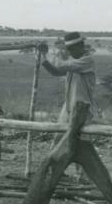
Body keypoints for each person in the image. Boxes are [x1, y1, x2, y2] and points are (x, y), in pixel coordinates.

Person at [38, 31, 98, 180]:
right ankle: (55, 171)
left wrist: (48, 52)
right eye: (68, 49)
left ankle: (83, 176)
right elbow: (56, 71)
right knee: (58, 137)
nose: (70, 51)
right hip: (69, 106)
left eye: (72, 48)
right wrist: (43, 57)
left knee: (82, 142)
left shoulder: (87, 60)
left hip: (83, 107)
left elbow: (61, 64)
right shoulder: (73, 61)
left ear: (81, 45)